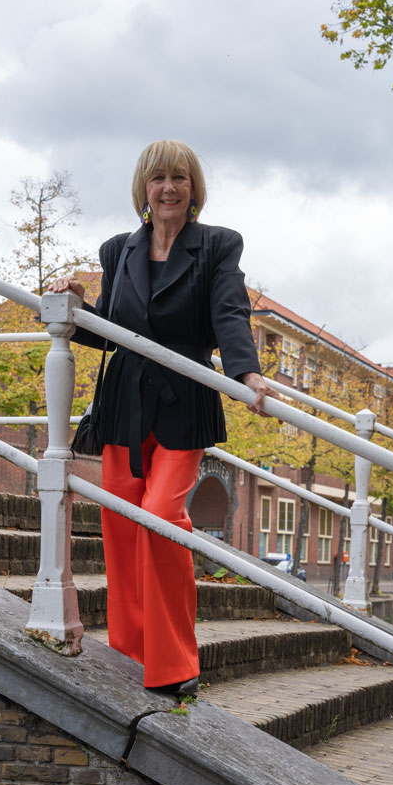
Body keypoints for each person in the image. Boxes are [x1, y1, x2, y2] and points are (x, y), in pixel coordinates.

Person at [49, 139, 275, 696]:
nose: (168, 188)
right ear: (143, 189)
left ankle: (176, 662)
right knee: (122, 525)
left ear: (193, 188)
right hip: (123, 401)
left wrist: (247, 372)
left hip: (184, 397)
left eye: (179, 177)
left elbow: (228, 310)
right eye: (158, 179)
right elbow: (112, 331)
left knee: (162, 517)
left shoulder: (218, 245)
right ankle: (130, 652)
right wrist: (76, 306)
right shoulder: (118, 249)